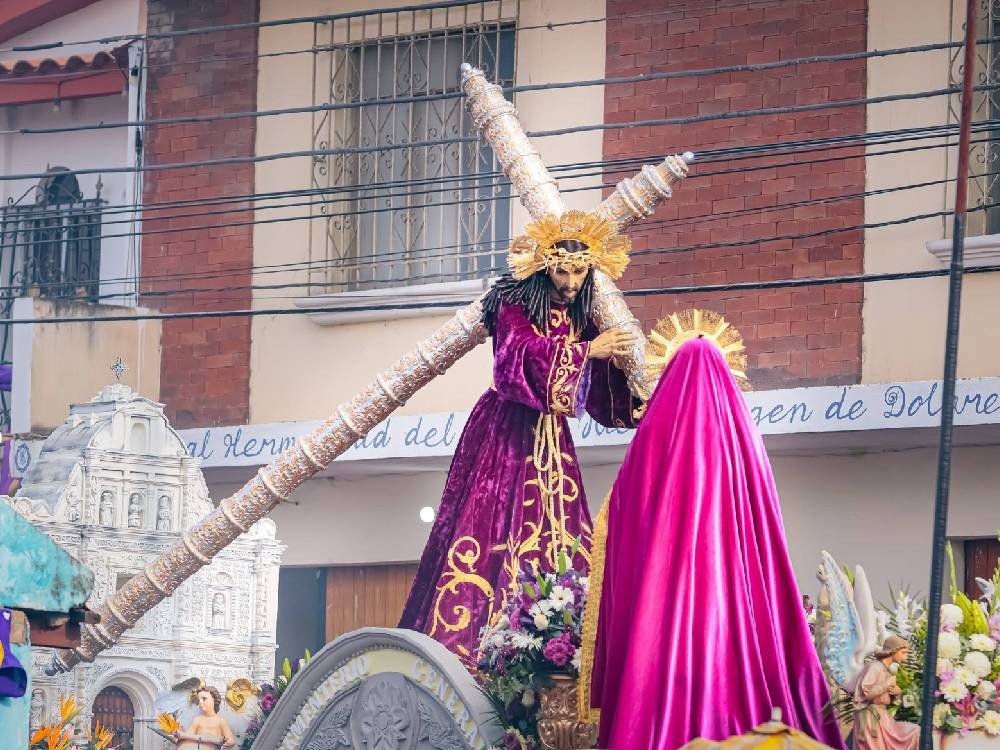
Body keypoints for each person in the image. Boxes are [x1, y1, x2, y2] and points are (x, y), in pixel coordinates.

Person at [399, 210, 641, 662]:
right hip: (507, 430)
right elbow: (514, 361)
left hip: (553, 439)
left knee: (562, 530)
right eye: (563, 270)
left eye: (580, 271)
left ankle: (564, 635)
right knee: (490, 522)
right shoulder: (514, 304)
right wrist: (588, 349)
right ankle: (478, 646)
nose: (571, 282)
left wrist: (639, 390)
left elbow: (599, 389)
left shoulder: (583, 312)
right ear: (545, 264)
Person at [581, 338, 845, 750]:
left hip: (664, 603)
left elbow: (622, 512)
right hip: (736, 595)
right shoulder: (745, 439)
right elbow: (766, 532)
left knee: (660, 670)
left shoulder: (655, 436)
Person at [853, 635, 919, 750]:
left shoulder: (887, 670)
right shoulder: (874, 667)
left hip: (883, 718)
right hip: (871, 718)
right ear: (893, 650)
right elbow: (866, 693)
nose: (906, 657)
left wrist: (896, 693)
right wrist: (886, 684)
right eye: (903, 652)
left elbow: (887, 699)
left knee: (915, 731)